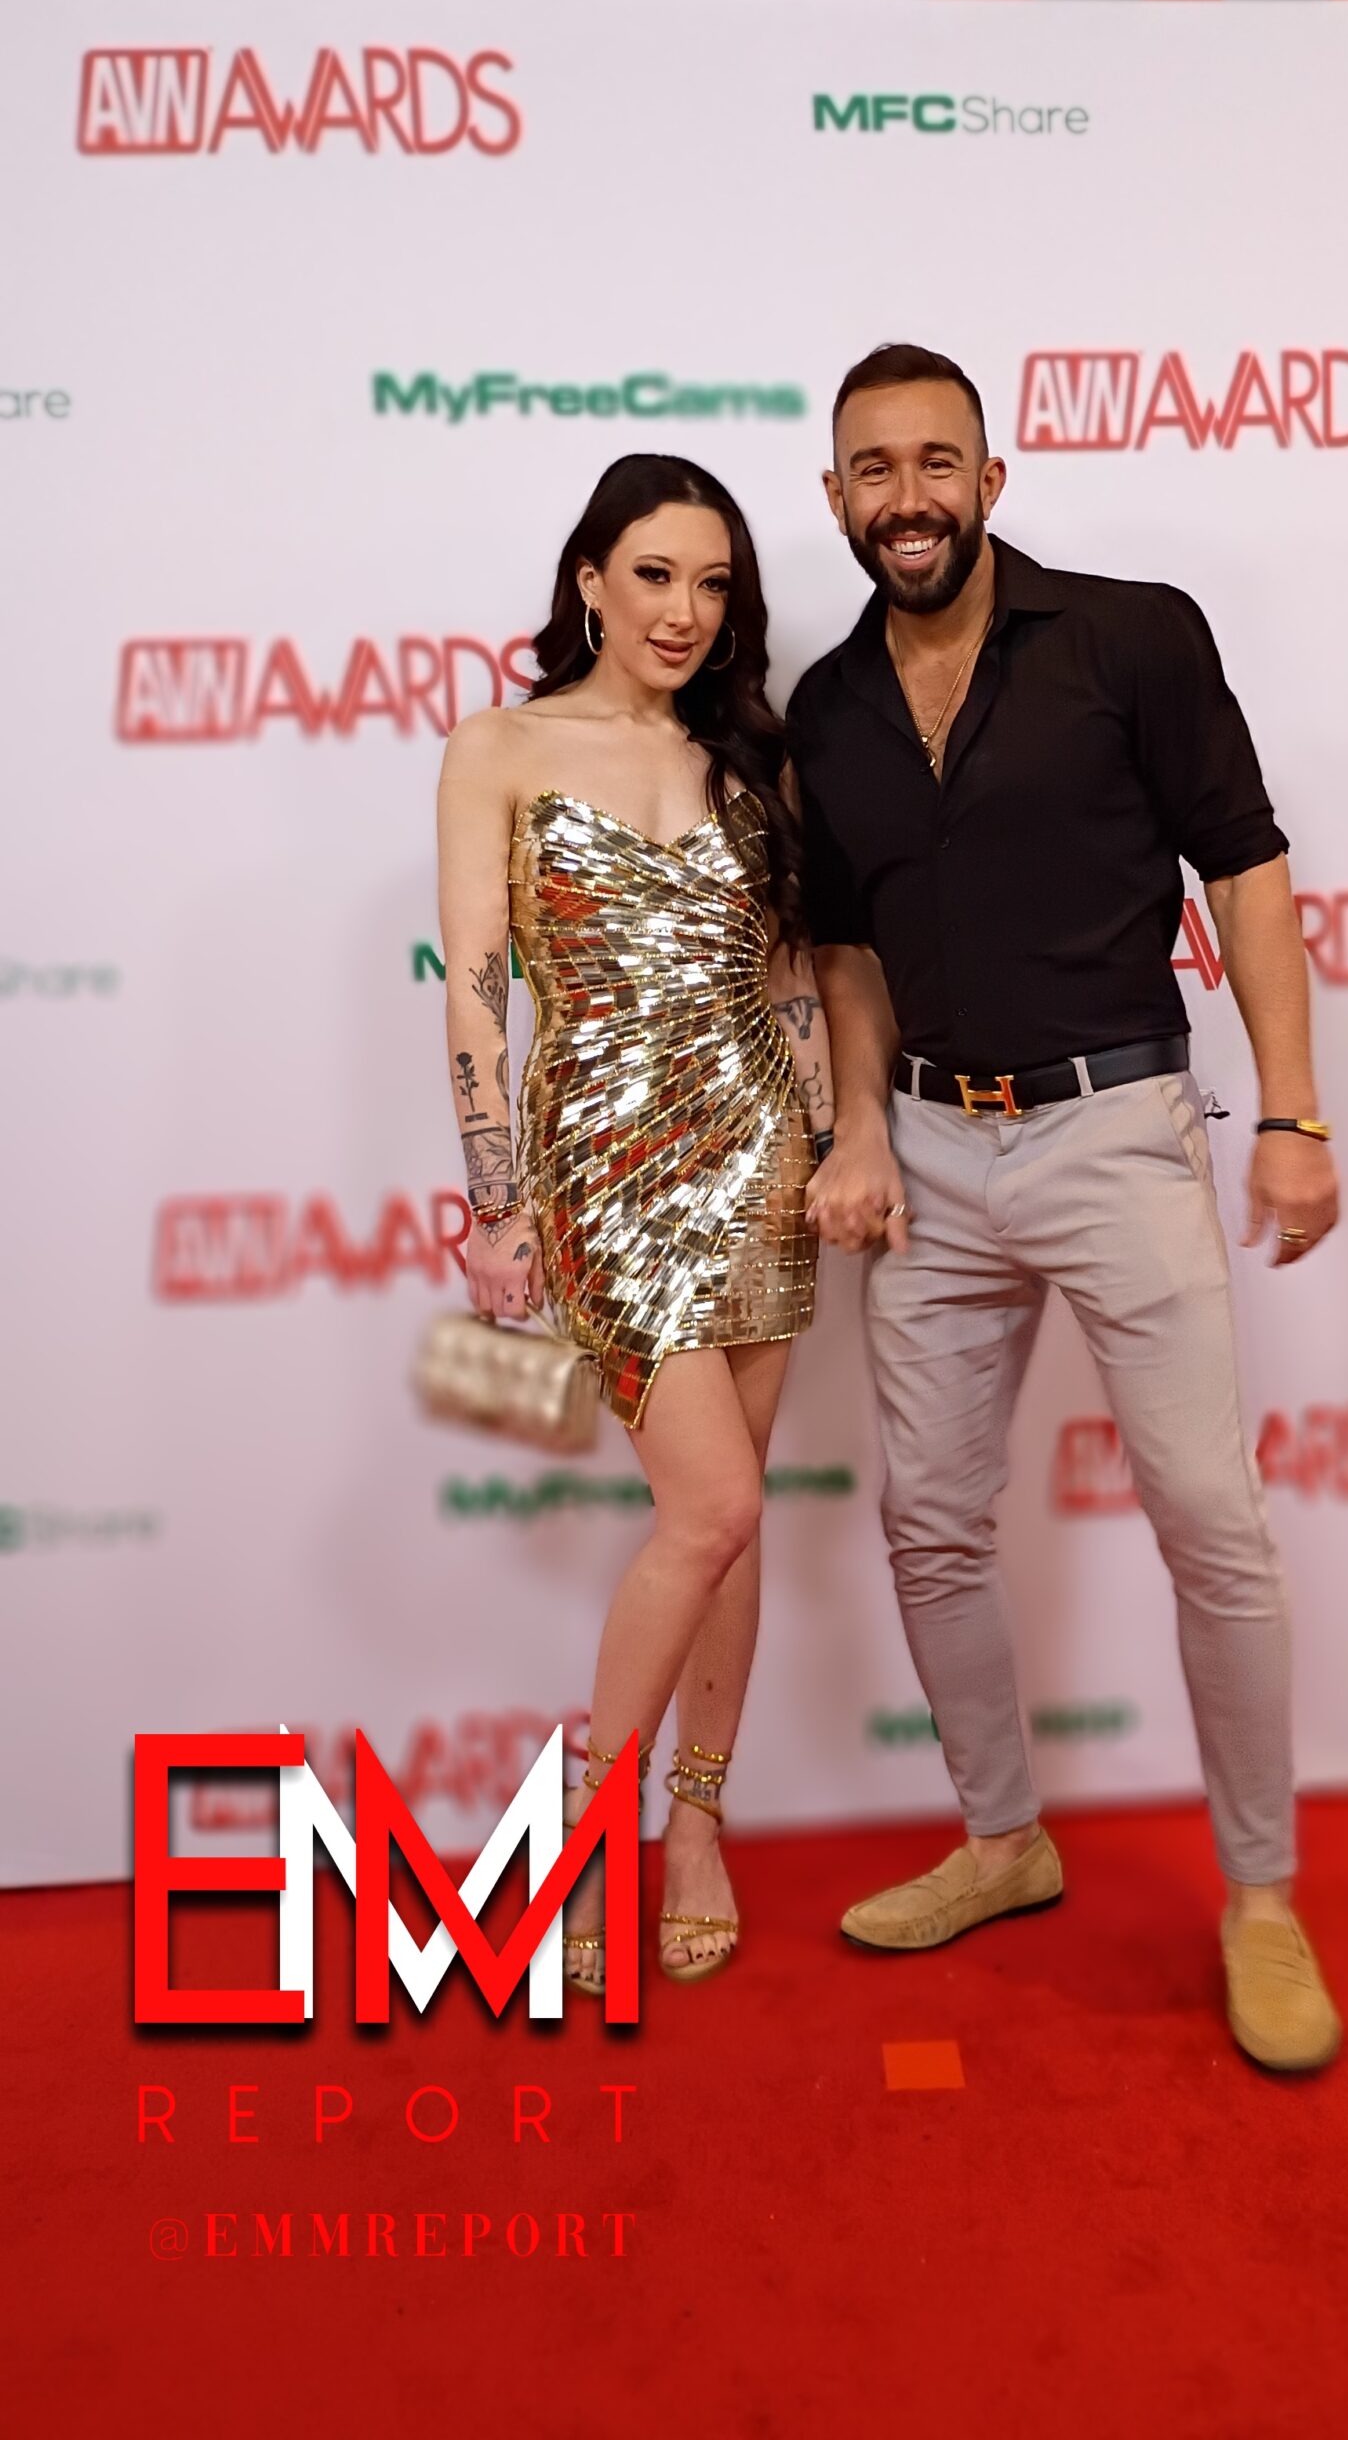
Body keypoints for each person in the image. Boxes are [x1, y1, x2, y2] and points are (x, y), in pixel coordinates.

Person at [793, 344, 1342, 2071]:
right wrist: (859, 1128)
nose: (907, 498)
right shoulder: (826, 708)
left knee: (1211, 1520)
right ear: (836, 498)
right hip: (928, 1154)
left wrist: (1293, 1113)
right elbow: (848, 948)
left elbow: (1244, 867)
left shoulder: (1130, 637)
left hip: (1117, 1131)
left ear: (990, 480)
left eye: (934, 463)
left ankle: (1262, 1899)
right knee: (929, 1522)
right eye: (873, 469)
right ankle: (1003, 1840)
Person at [435, 453, 832, 1991]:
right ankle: (590, 1839)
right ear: (590, 579)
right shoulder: (500, 746)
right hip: (603, 1174)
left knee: (735, 1521)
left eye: (713, 584)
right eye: (654, 574)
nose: (684, 611)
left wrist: (827, 1146)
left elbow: (789, 983)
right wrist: (495, 1202)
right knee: (709, 1510)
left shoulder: (752, 758)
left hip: (764, 1169)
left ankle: (697, 1825)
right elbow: (480, 989)